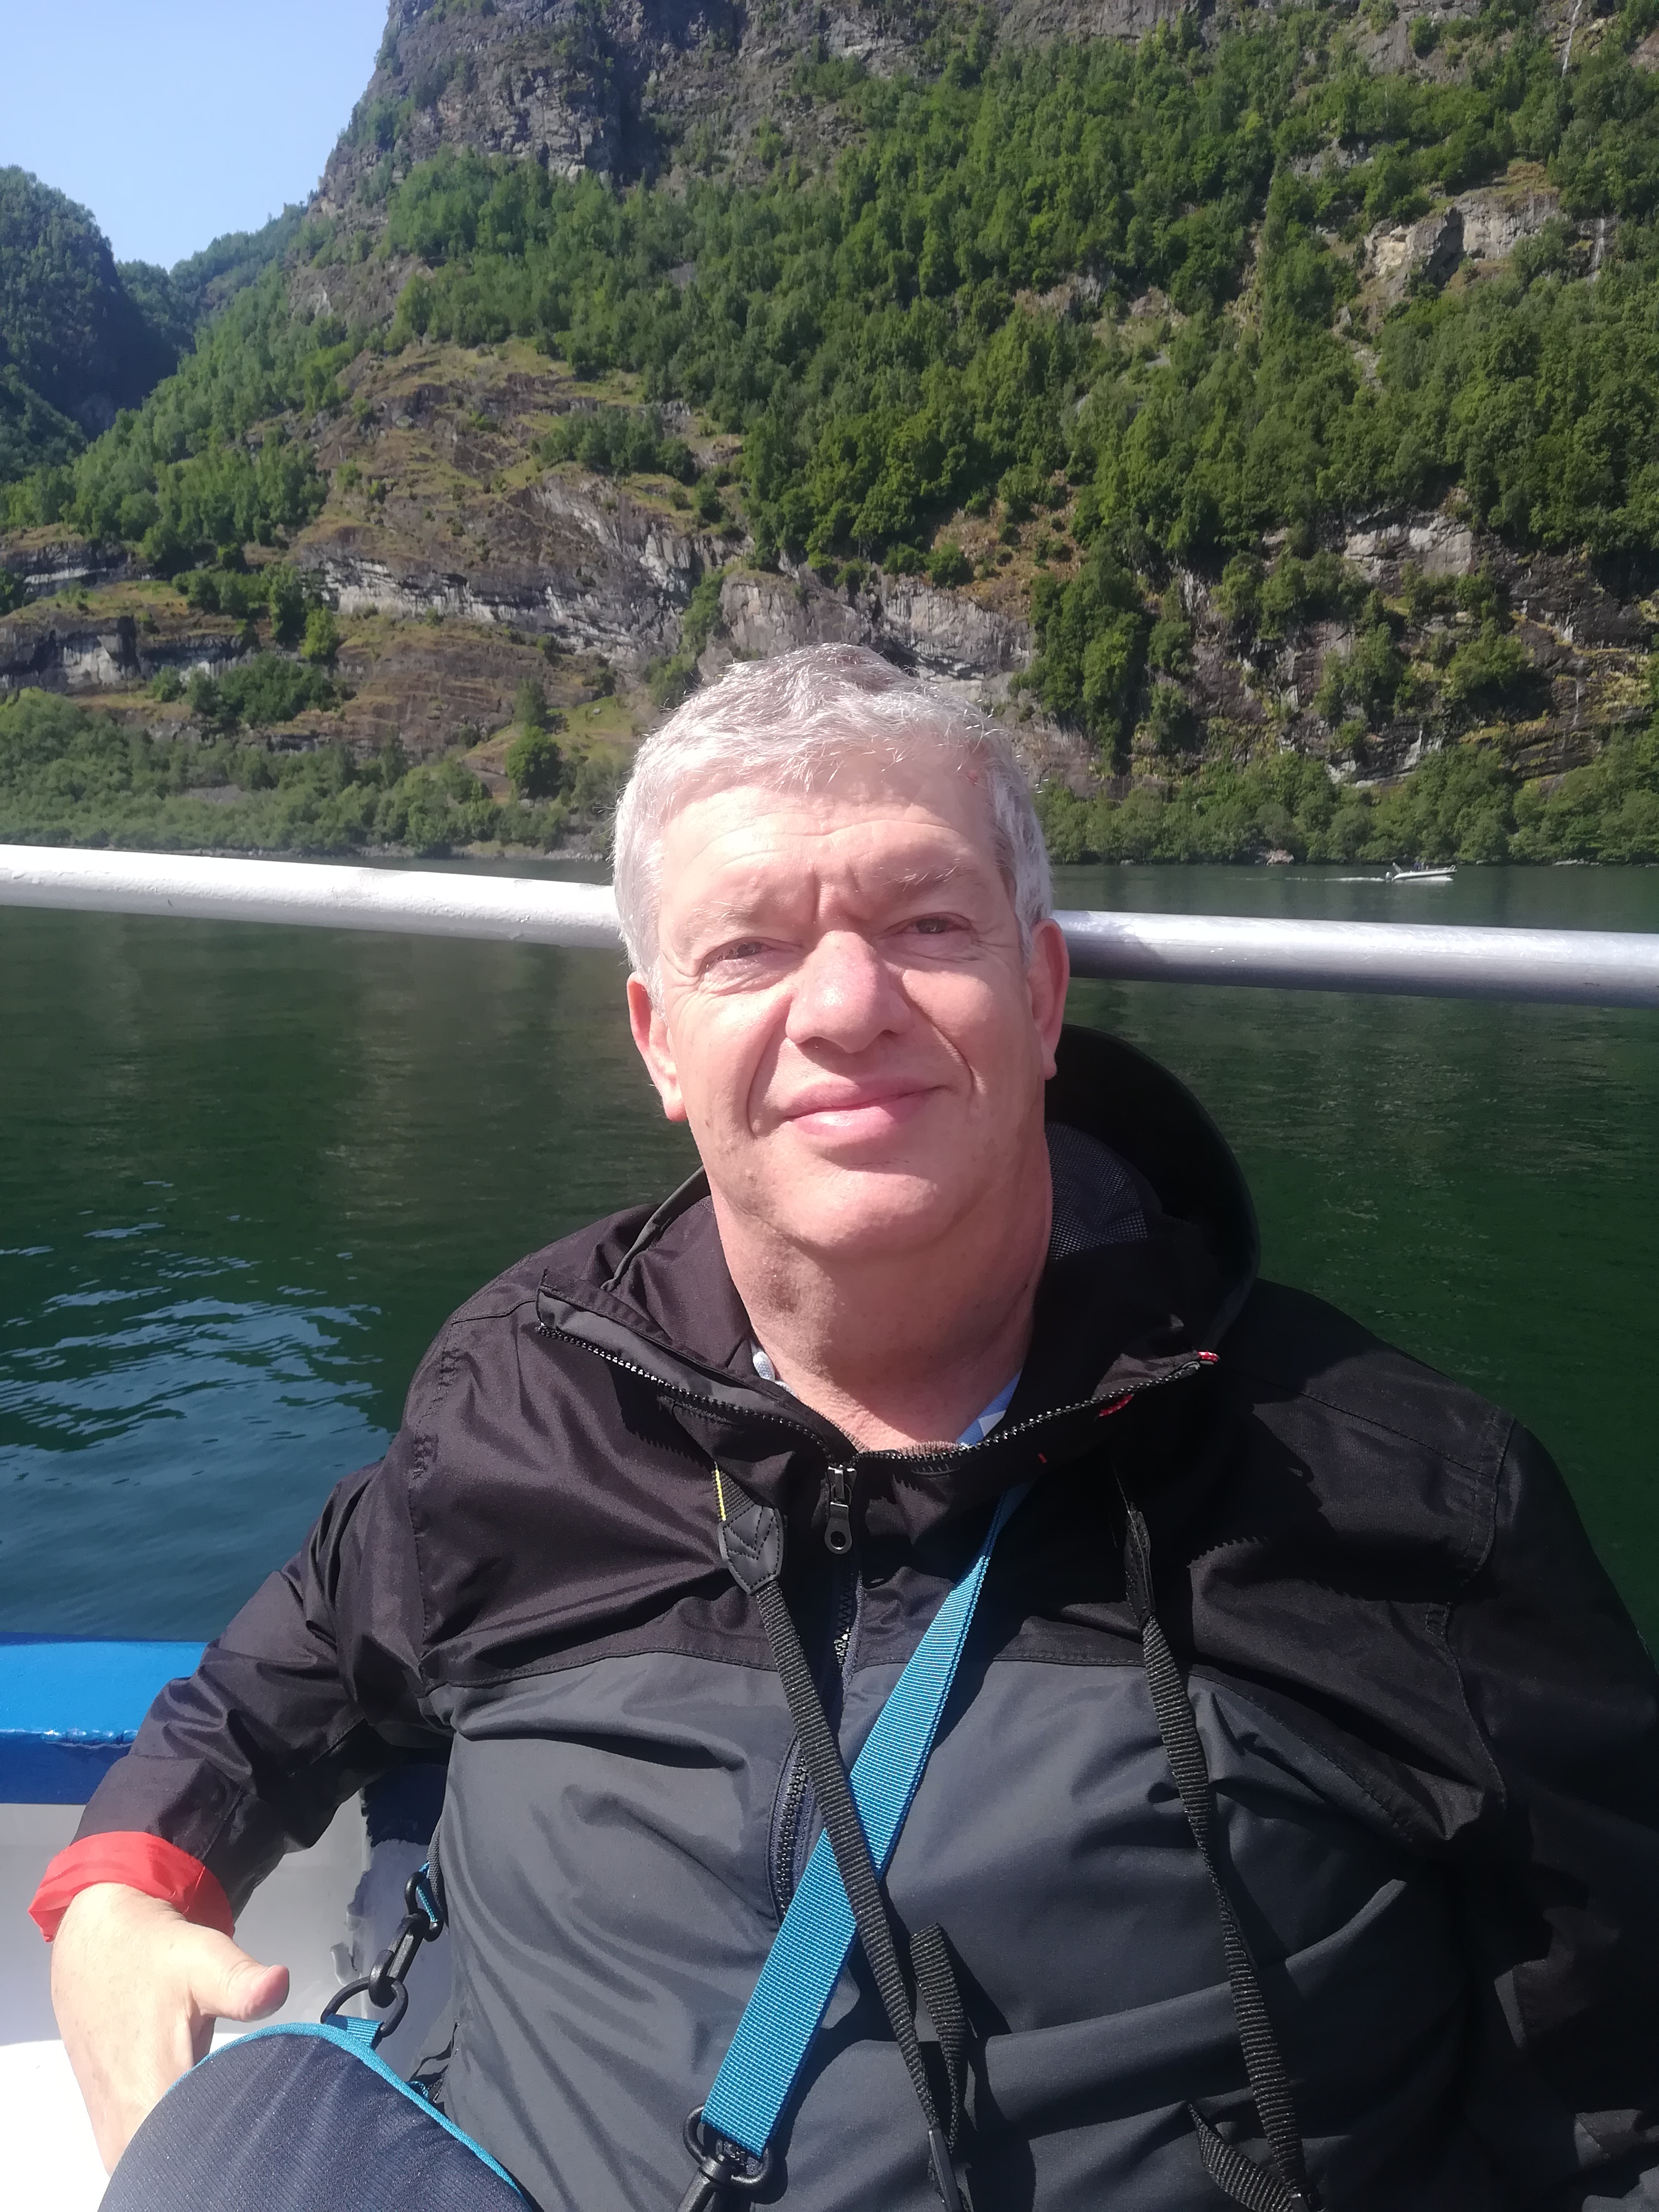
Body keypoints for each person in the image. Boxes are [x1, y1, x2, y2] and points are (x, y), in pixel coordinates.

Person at [32, 644, 1659, 2211]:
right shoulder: (530, 1393)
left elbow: (1621, 2097)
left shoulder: (1393, 1498)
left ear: (1040, 993)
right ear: (661, 1041)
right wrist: (122, 1885)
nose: (847, 1004)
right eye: (749, 949)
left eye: (927, 922)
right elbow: (281, 1677)